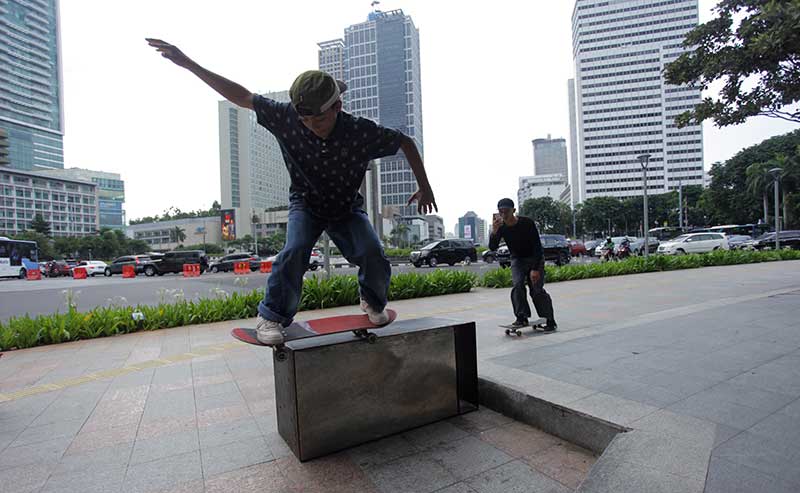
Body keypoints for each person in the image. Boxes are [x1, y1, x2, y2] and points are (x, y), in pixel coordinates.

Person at [146, 39, 437, 344]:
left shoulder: (360, 131)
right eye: (305, 119)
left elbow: (405, 142)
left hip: (346, 208)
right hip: (306, 205)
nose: (312, 126)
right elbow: (242, 95)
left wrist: (425, 186)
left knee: (373, 253)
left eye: (320, 118)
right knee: (295, 251)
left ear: (337, 107)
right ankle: (272, 316)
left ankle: (373, 302)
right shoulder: (285, 117)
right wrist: (190, 64)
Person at [489, 198, 557, 332]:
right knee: (517, 285)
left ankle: (549, 319)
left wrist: (535, 269)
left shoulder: (527, 223)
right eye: (501, 212)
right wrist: (494, 231)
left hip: (534, 257)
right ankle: (521, 316)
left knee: (536, 290)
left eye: (506, 211)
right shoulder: (501, 227)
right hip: (517, 259)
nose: (504, 215)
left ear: (513, 211)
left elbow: (537, 246)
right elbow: (492, 247)